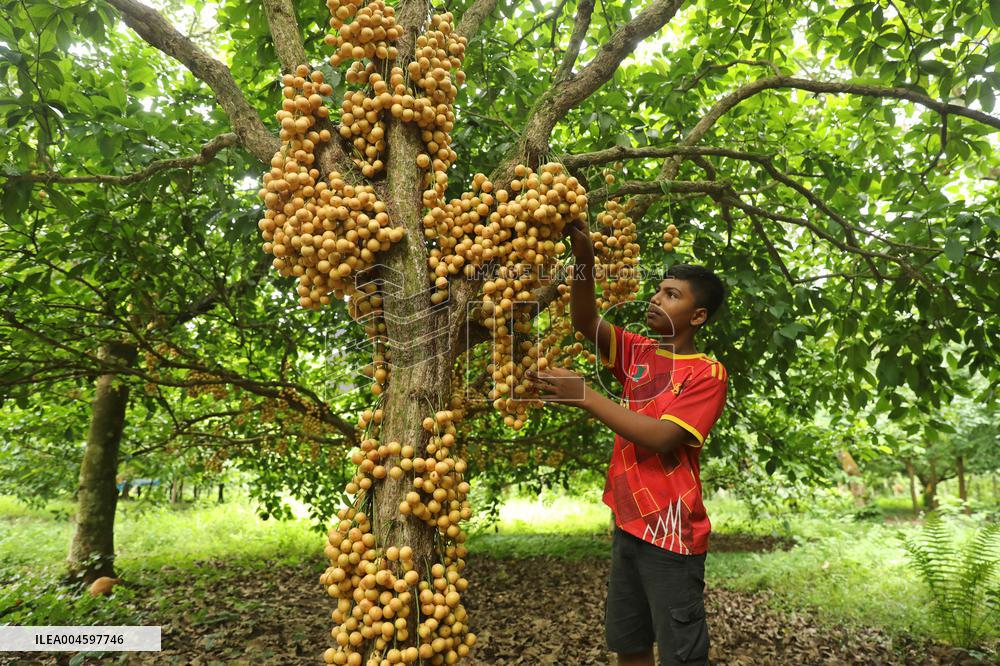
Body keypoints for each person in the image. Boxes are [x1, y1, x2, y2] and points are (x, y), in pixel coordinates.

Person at [527, 215, 728, 666]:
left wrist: (585, 395)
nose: (656, 299)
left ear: (697, 316)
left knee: (680, 655)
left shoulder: (707, 373)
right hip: (629, 527)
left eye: (672, 296)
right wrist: (585, 261)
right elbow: (585, 319)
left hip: (673, 536)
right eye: (659, 290)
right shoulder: (638, 351)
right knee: (630, 644)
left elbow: (662, 439)